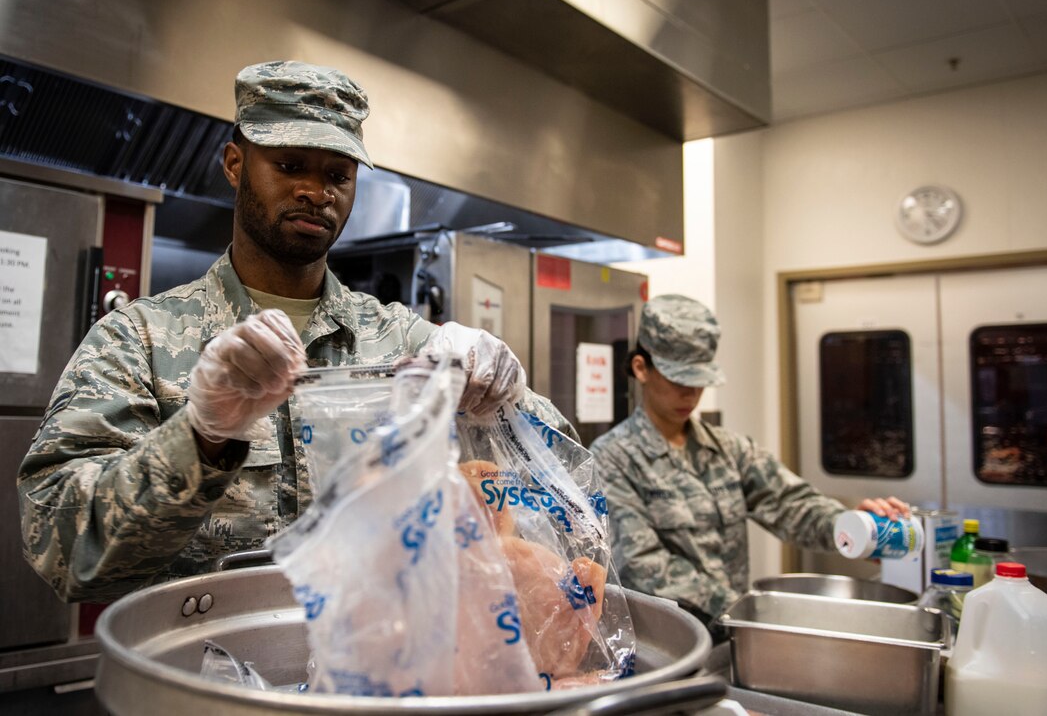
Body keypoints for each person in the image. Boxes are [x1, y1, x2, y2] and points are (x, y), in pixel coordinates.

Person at [17, 60, 571, 603]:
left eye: (337, 175)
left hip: (380, 672)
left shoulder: (401, 341)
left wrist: (507, 397)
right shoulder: (138, 340)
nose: (316, 191)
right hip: (205, 669)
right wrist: (201, 438)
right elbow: (59, 549)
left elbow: (563, 486)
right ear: (235, 164)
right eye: (289, 166)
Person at [589, 294, 910, 627]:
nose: (690, 394)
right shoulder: (613, 458)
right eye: (678, 379)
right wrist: (745, 611)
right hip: (669, 642)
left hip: (732, 636)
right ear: (642, 368)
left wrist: (849, 529)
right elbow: (643, 565)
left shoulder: (727, 449)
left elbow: (790, 504)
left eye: (698, 381)